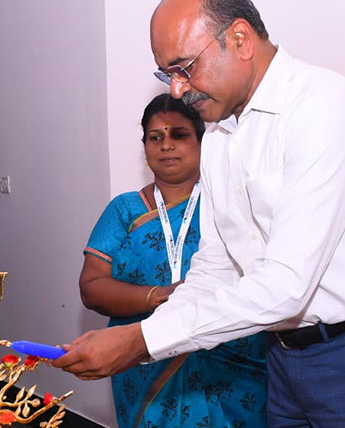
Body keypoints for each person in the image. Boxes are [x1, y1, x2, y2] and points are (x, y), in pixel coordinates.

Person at [55, 0, 345, 428]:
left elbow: (287, 286)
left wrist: (143, 340)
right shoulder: (222, 135)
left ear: (240, 38)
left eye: (184, 67)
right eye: (166, 74)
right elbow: (217, 266)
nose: (176, 89)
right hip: (282, 351)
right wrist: (143, 333)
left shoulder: (322, 109)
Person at [80, 94, 267, 428]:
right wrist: (159, 295)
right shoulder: (124, 211)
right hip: (144, 358)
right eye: (156, 137)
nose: (166, 145)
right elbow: (92, 287)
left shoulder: (227, 201)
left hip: (229, 354)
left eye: (179, 134)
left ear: (201, 141)